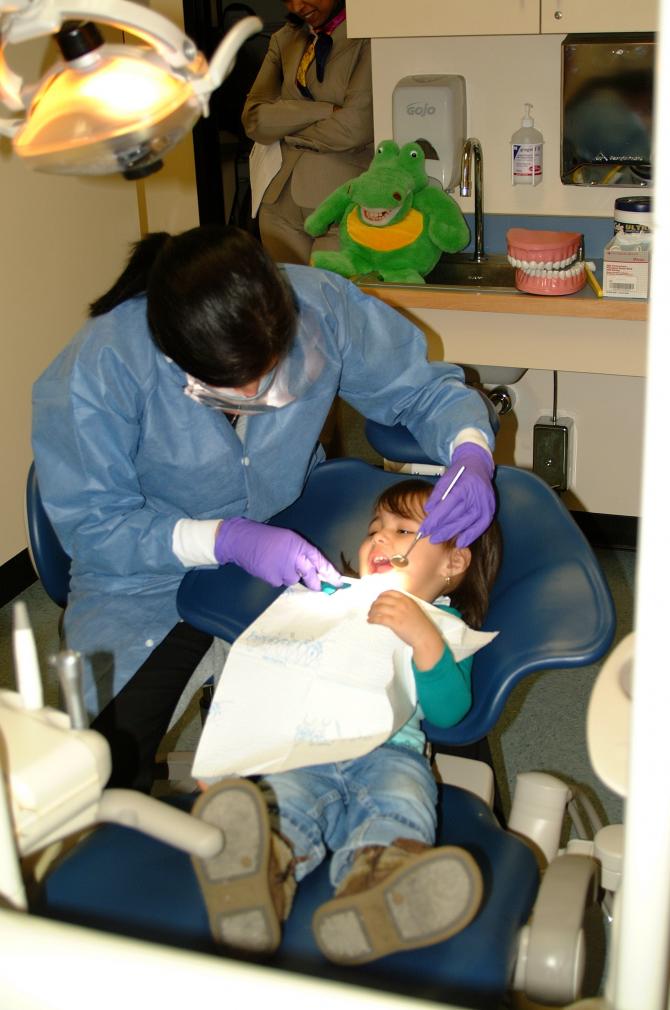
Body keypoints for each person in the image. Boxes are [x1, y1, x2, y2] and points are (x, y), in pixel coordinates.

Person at [31, 224, 496, 793]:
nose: (256, 393)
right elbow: (95, 527)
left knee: (422, 698)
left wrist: (470, 450)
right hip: (143, 583)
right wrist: (225, 539)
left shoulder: (320, 308)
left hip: (294, 548)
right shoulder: (101, 365)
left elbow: (423, 391)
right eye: (231, 383)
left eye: (269, 369)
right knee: (97, 775)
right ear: (172, 353)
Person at [191, 478, 502, 964]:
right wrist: (227, 761)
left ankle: (378, 891)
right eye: (374, 528)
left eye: (402, 531)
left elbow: (450, 712)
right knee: (283, 808)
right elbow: (267, 683)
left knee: (398, 805)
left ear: (453, 563)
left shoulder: (444, 626)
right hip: (304, 753)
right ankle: (257, 878)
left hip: (391, 755)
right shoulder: (326, 600)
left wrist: (424, 640)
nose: (378, 538)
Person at [241, 0, 373, 264]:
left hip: (340, 200)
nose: (297, 6)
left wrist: (283, 128)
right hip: (277, 202)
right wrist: (324, 110)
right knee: (288, 303)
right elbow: (254, 119)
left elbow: (355, 126)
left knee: (333, 301)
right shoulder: (285, 40)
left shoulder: (368, 34)